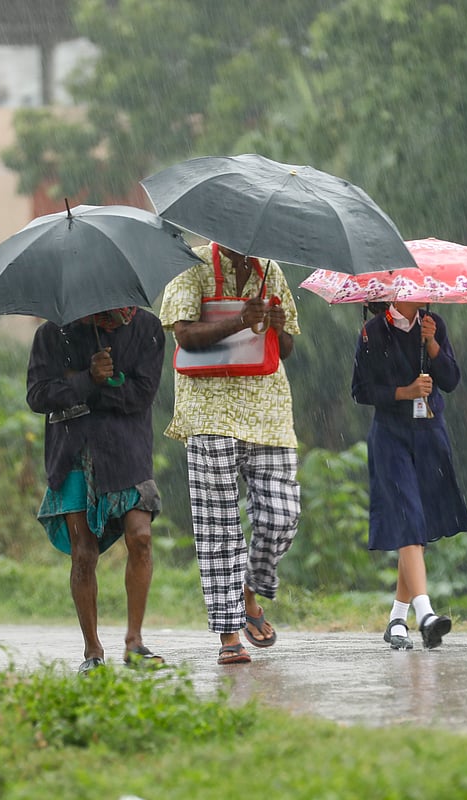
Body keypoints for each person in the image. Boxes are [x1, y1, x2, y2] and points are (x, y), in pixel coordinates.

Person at [158, 242, 301, 666]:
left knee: (282, 514)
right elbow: (183, 334)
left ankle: (249, 594)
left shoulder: (271, 270)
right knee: (218, 527)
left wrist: (275, 325)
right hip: (208, 411)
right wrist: (240, 319)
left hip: (268, 410)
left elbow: (287, 348)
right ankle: (228, 634)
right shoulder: (190, 265)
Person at [26, 306, 166, 674]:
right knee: (83, 555)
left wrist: (88, 389)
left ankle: (134, 641)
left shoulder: (148, 329)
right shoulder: (54, 333)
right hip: (72, 452)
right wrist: (87, 378)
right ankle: (93, 651)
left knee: (141, 537)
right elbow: (39, 395)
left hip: (128, 450)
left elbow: (141, 394)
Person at [351, 300, 467, 650]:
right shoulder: (372, 332)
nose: (423, 293)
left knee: (416, 527)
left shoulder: (433, 324)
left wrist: (433, 344)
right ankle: (426, 615)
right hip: (390, 437)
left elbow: (450, 379)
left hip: (430, 435)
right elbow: (361, 390)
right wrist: (403, 393)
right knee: (407, 517)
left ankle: (396, 620)